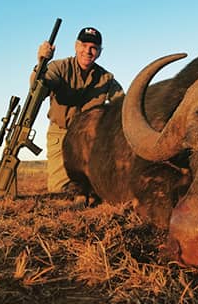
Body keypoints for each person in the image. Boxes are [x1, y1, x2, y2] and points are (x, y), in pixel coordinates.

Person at [32, 27, 125, 195]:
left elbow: (122, 106)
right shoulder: (58, 67)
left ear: (99, 52)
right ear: (76, 46)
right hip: (61, 134)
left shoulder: (107, 78)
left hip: (92, 139)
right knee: (61, 190)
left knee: (107, 186)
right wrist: (41, 63)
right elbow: (39, 87)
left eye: (93, 48)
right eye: (84, 45)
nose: (88, 51)